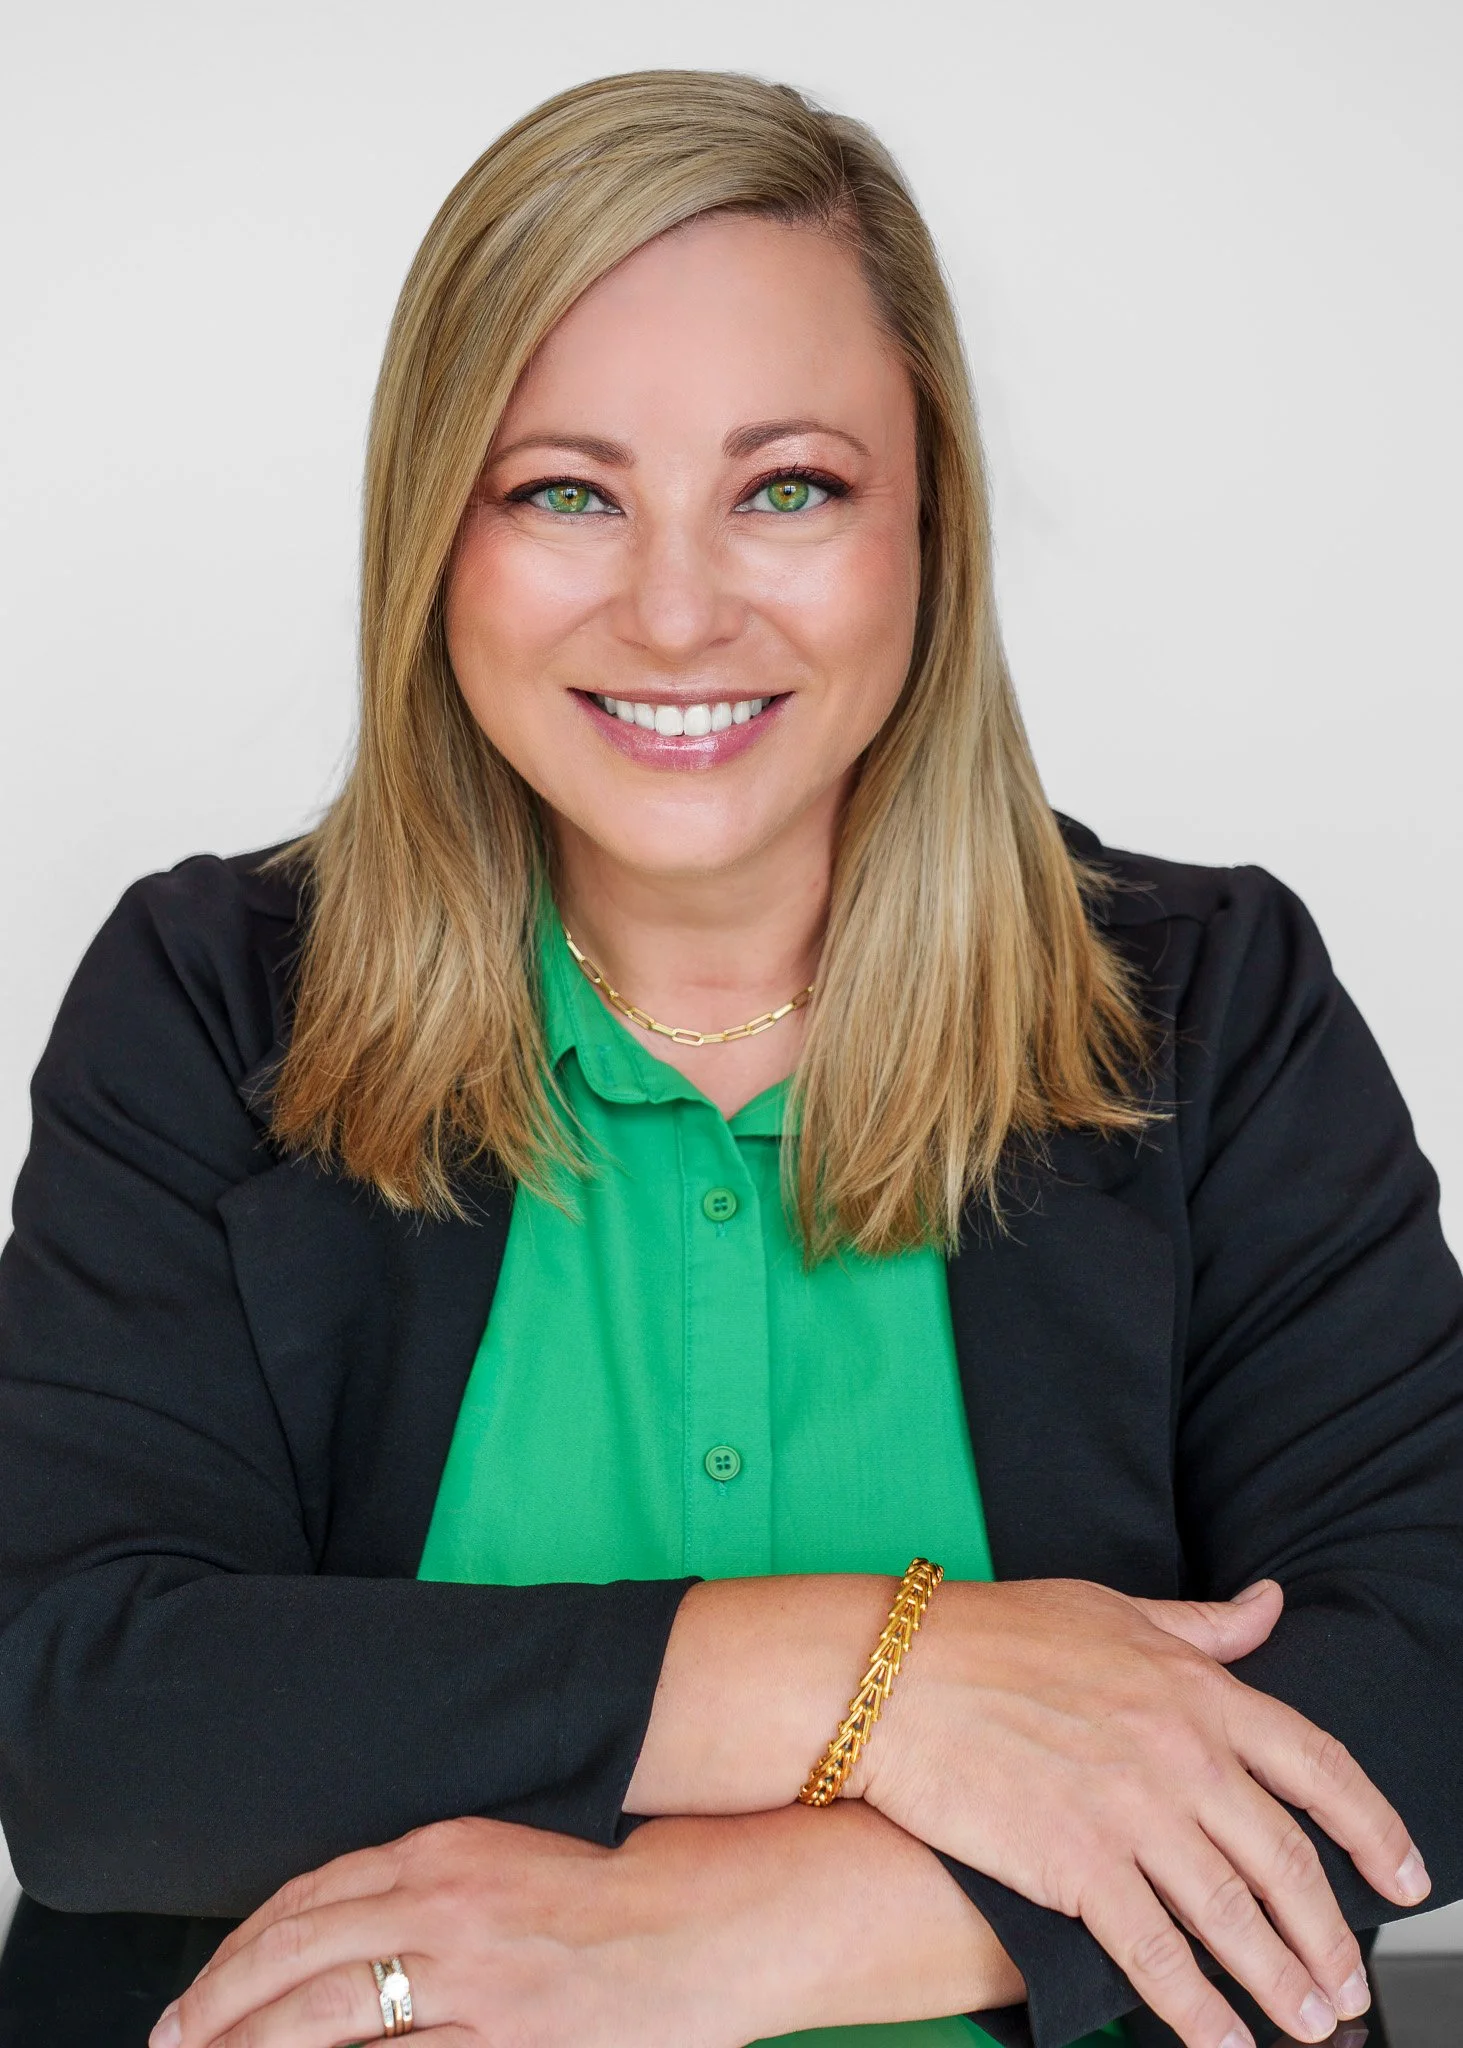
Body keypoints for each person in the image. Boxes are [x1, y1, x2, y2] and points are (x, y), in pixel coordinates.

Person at [0, 67, 1459, 2048]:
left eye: (787, 487)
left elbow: (1425, 1666)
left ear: (924, 526)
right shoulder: (210, 1004)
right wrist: (895, 1678)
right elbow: (93, 1726)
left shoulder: (1208, 1002)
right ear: (433, 538)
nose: (675, 611)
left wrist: (730, 1931)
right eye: (563, 491)